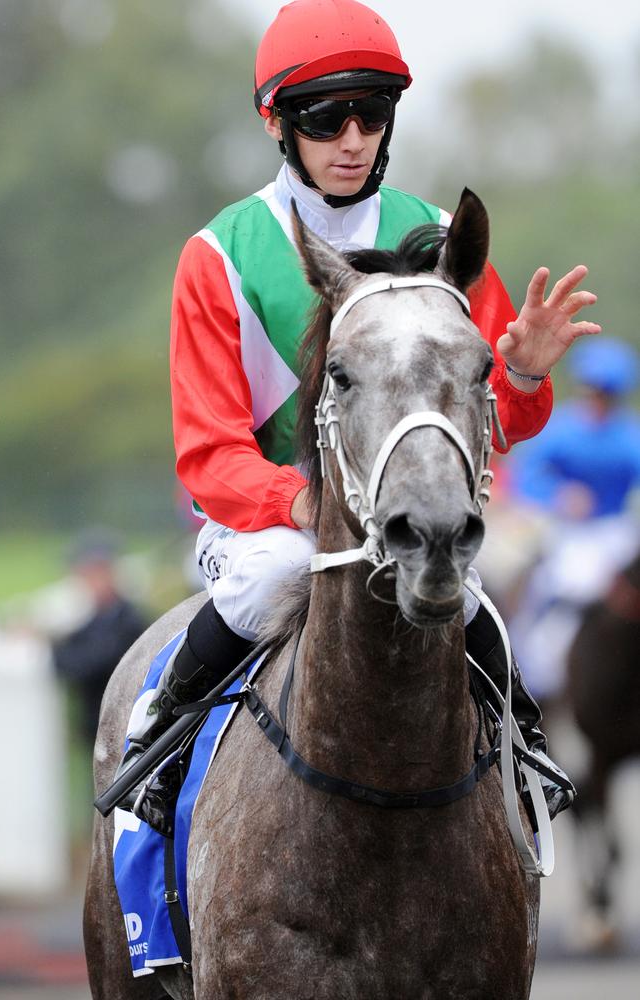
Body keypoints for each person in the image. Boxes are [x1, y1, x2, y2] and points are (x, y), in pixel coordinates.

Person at [113, 0, 600, 836]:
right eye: (324, 117)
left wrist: (519, 370)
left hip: (408, 510)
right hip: (269, 522)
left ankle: (524, 753)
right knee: (278, 575)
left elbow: (495, 423)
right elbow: (209, 452)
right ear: (277, 122)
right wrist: (304, 506)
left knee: (476, 599)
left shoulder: (441, 237)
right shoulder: (219, 254)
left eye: (370, 114)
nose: (351, 138)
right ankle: (154, 750)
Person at [508, 338, 640, 701]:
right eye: (593, 390)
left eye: (607, 393)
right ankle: (535, 666)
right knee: (557, 579)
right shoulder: (562, 427)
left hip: (614, 528)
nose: (598, 399)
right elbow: (524, 476)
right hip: (567, 530)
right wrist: (559, 496)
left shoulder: (629, 434)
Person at [53, 532, 148, 745]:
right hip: (96, 732)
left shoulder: (129, 622)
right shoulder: (96, 619)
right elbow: (65, 655)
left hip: (123, 733)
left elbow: (92, 662)